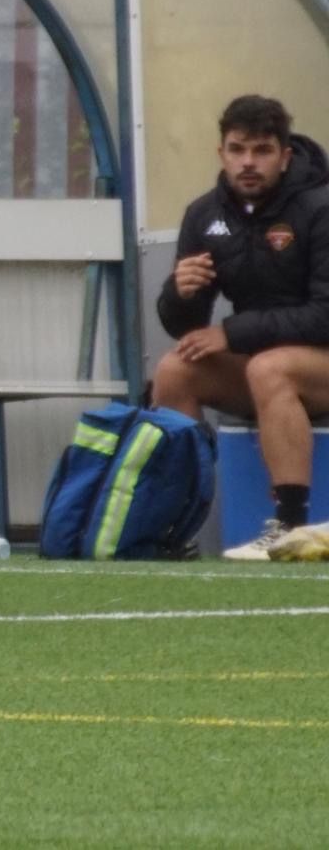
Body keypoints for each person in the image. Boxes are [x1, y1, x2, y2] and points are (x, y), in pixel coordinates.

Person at [151, 95, 329, 560]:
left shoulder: (320, 207)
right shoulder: (205, 215)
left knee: (270, 367)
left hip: (314, 361)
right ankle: (175, 525)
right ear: (221, 153)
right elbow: (184, 327)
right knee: (175, 370)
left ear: (285, 155)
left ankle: (290, 527)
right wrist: (180, 293)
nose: (248, 162)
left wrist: (233, 333)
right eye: (237, 149)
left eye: (262, 150)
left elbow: (325, 315)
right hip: (266, 364)